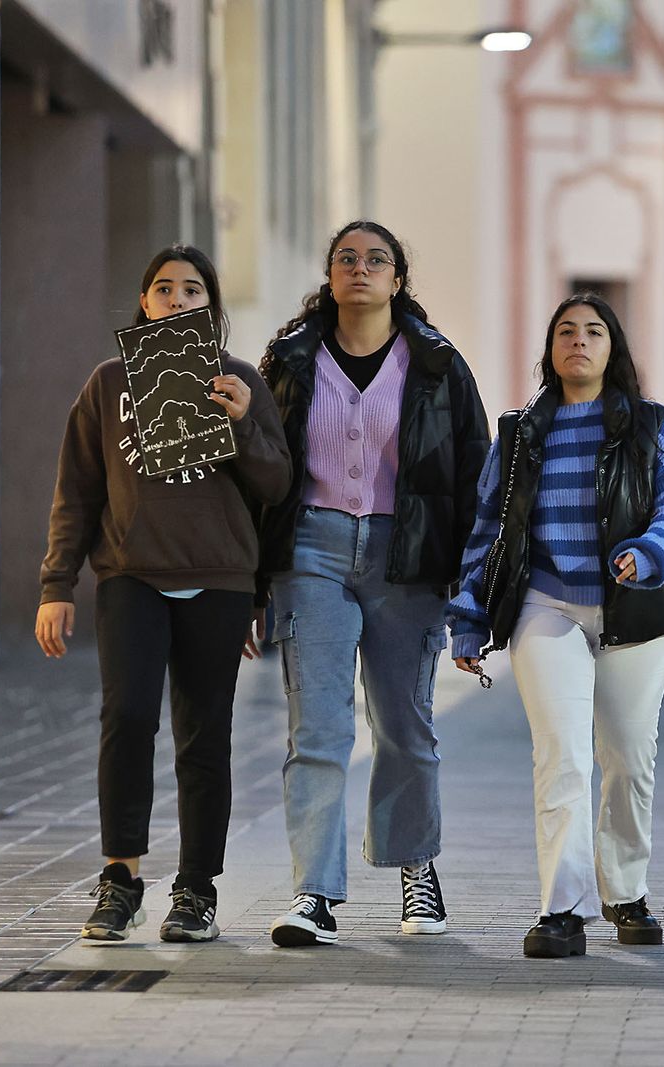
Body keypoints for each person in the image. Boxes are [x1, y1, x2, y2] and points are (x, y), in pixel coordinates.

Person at [36, 245, 292, 944]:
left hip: (218, 582)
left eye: (191, 291)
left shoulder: (239, 378)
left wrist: (243, 422)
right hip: (131, 577)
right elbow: (77, 492)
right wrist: (57, 583)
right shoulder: (107, 382)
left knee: (205, 736)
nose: (176, 300)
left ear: (211, 306)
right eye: (163, 289)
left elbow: (276, 489)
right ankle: (120, 879)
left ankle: (197, 889)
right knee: (127, 721)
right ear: (144, 301)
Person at [255, 220, 490, 948]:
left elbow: (473, 474)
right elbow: (261, 476)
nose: (360, 268)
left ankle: (416, 867)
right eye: (346, 259)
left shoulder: (438, 365)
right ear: (330, 277)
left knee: (405, 724)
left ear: (397, 279)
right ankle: (314, 891)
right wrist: (255, 584)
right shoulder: (290, 362)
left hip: (407, 556)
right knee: (319, 726)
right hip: (312, 551)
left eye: (375, 259)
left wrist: (469, 591)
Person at [448, 293, 664, 959]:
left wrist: (649, 550)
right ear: (550, 349)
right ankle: (563, 907)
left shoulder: (648, 425)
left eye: (593, 332)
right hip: (547, 605)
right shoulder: (522, 432)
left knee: (626, 756)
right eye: (566, 331)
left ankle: (626, 889)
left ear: (612, 349)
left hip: (634, 612)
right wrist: (468, 619)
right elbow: (487, 532)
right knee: (560, 752)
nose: (578, 341)